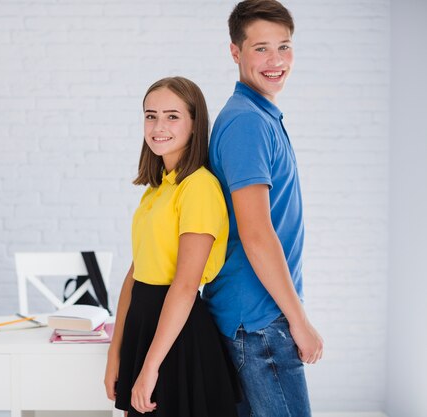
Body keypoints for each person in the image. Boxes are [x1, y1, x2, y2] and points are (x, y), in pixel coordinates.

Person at [202, 1, 324, 416]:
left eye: (284, 47)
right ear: (235, 52)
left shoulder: (260, 116)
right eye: (261, 49)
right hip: (260, 321)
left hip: (256, 316)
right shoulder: (247, 123)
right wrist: (299, 321)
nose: (276, 61)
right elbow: (256, 232)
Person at [104, 76, 239, 417]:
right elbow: (136, 274)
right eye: (150, 116)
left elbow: (185, 285)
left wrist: (150, 368)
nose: (158, 126)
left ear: (195, 124)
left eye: (172, 116)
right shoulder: (156, 190)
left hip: (177, 338)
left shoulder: (199, 188)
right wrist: (114, 354)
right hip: (143, 327)